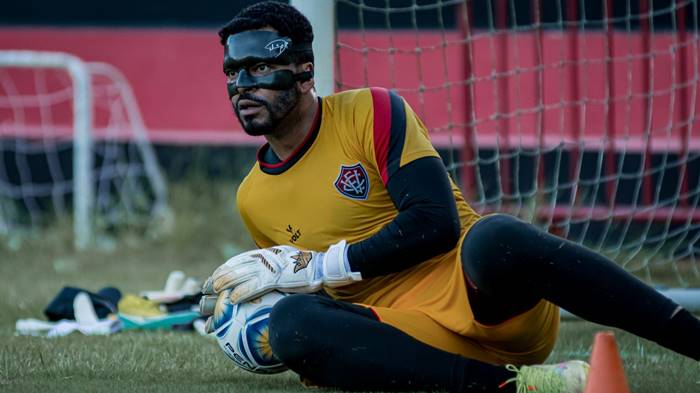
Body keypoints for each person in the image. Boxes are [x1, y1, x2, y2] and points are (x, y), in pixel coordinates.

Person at [201, 2, 700, 392]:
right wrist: (254, 321)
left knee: (496, 236)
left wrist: (320, 267)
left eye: (258, 69)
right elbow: (311, 297)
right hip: (407, 338)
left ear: (306, 72)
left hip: (490, 303)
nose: (241, 86)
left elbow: (434, 224)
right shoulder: (252, 198)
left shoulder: (370, 111)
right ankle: (520, 387)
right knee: (294, 323)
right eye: (231, 73)